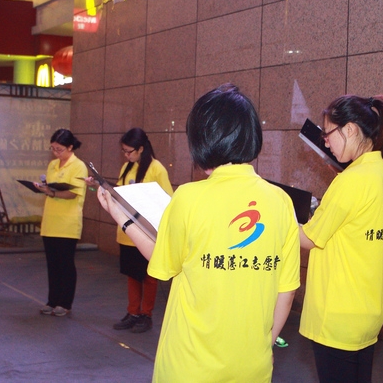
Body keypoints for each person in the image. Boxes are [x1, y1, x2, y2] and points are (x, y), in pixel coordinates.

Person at [97, 84, 300, 383]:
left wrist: (121, 217)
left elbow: (163, 263)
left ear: (203, 139)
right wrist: (265, 345)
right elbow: (287, 290)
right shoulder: (281, 202)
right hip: (252, 366)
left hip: (188, 365)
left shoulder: (189, 197)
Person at [298, 95, 383, 383]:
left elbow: (308, 238)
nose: (325, 142)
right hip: (368, 314)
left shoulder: (351, 181)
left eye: (328, 133)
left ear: (351, 130)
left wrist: (276, 218)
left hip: (338, 317)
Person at [112, 128, 173, 333]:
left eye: (129, 151)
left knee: (148, 276)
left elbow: (166, 200)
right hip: (127, 232)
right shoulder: (126, 167)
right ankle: (133, 312)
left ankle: (146, 314)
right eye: (124, 151)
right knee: (132, 274)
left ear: (141, 149)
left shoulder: (157, 169)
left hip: (146, 233)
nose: (126, 155)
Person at [34, 129, 88, 317]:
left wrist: (52, 192)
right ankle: (52, 300)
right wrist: (43, 188)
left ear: (70, 147)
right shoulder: (52, 165)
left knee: (65, 264)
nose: (56, 153)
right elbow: (50, 188)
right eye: (53, 149)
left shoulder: (78, 166)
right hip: (50, 220)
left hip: (67, 222)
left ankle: (65, 303)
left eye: (59, 149)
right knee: (52, 264)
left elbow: (74, 193)